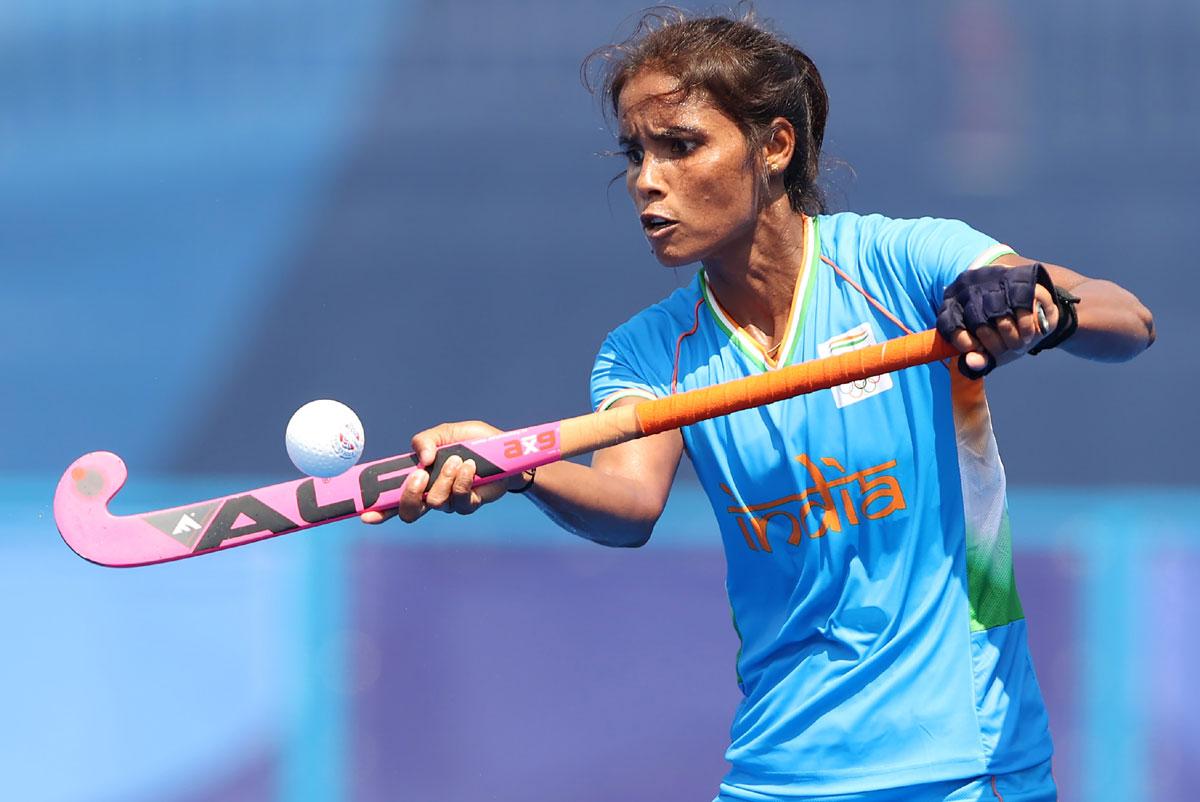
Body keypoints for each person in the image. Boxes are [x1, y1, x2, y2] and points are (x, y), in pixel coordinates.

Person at [363, 10, 1155, 802]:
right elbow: (629, 502)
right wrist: (519, 465)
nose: (647, 178)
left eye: (680, 145)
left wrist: (1043, 309)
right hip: (779, 771)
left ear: (774, 146)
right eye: (636, 153)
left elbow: (1127, 319)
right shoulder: (648, 351)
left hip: (968, 762)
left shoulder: (901, 263)